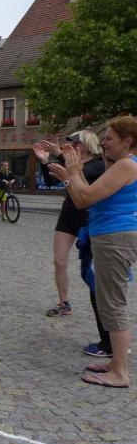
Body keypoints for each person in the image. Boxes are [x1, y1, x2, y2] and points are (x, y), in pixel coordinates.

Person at [49, 115, 137, 388]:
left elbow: (84, 198)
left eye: (109, 138)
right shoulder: (124, 164)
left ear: (127, 141)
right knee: (109, 301)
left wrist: (72, 174)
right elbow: (83, 198)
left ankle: (120, 372)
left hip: (115, 238)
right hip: (112, 236)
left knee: (112, 303)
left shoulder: (126, 165)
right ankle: (115, 363)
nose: (103, 143)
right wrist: (71, 175)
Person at [34, 132, 105, 325]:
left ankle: (101, 303)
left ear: (87, 144)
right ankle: (64, 303)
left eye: (75, 143)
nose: (72, 146)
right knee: (59, 261)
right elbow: (50, 182)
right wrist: (44, 160)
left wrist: (59, 154)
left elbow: (81, 176)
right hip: (68, 214)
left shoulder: (98, 164)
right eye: (71, 143)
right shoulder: (72, 163)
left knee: (90, 266)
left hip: (88, 217)